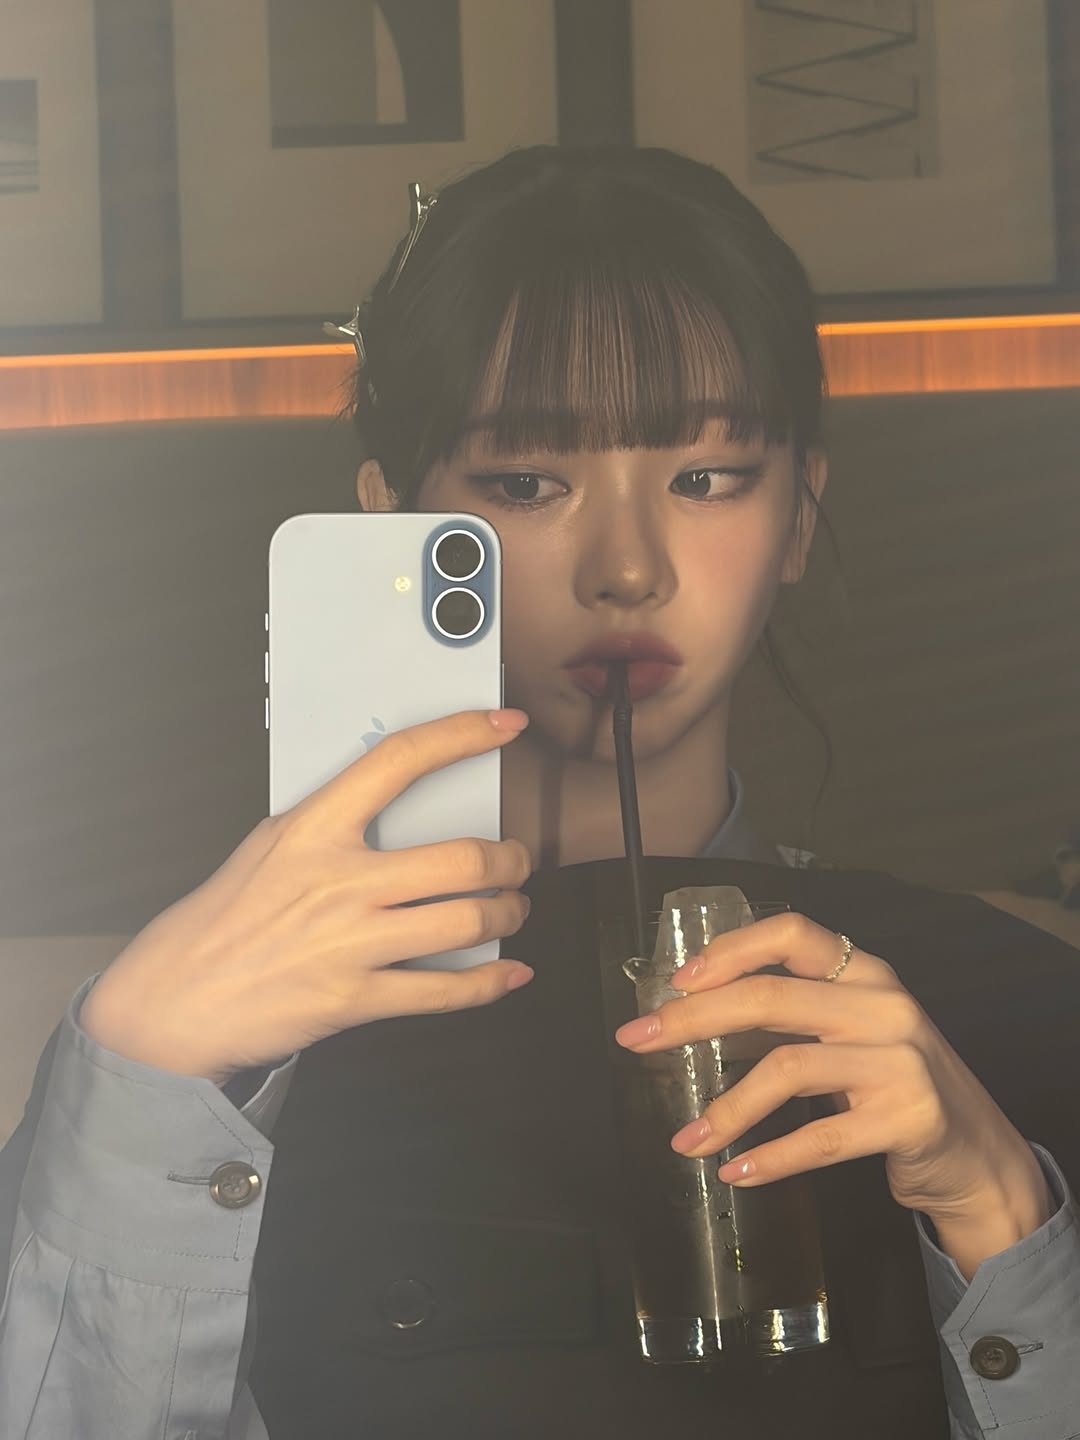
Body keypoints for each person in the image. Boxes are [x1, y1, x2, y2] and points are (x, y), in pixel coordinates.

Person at [1, 144, 1077, 1439]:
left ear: (799, 514)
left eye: (705, 477)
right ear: (396, 522)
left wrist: (1003, 1216)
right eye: (526, 483)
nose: (625, 569)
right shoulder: (210, 1041)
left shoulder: (1008, 1000)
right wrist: (133, 1073)